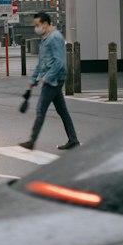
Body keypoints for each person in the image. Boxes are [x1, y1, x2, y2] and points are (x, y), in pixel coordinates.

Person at [21, 10, 80, 151]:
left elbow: (59, 62)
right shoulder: (46, 38)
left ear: (45, 24)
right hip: (52, 79)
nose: (36, 28)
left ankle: (31, 141)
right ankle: (73, 140)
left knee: (41, 109)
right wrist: (33, 80)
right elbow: (41, 62)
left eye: (37, 25)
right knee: (62, 111)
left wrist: (47, 78)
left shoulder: (55, 38)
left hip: (54, 80)